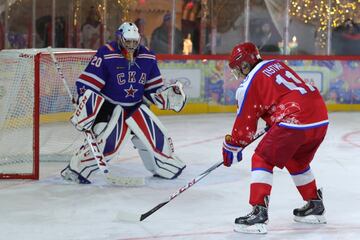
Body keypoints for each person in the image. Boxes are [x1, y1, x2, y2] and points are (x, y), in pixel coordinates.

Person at [61, 22, 187, 184]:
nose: (132, 46)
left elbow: (153, 88)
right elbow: (88, 84)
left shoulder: (148, 57)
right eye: (128, 41)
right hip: (111, 108)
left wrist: (166, 96)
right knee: (106, 143)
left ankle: (164, 167)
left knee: (155, 138)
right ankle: (77, 170)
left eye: (135, 42)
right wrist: (83, 102)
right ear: (120, 38)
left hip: (136, 107)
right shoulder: (107, 54)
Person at [222, 42, 328, 234]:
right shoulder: (277, 64)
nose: (238, 73)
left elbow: (244, 127)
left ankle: (258, 214)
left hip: (295, 119)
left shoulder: (249, 83)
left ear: (245, 65)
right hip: (319, 116)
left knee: (262, 158)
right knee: (295, 159)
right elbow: (284, 93)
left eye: (238, 68)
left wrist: (231, 147)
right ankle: (315, 205)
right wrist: (274, 117)